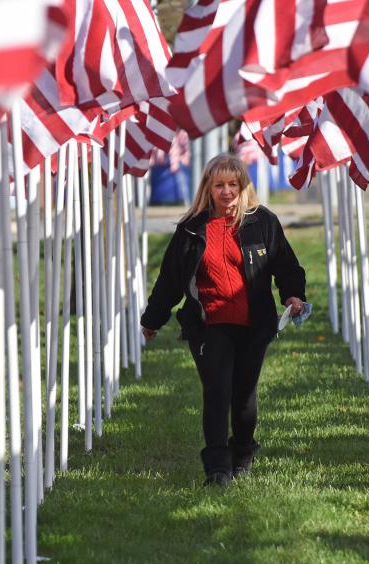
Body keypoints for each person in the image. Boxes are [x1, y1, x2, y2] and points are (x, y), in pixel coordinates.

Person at [140, 153, 307, 486]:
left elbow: (286, 265)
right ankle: (217, 468)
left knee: (243, 396)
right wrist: (152, 320)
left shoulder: (263, 222)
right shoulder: (191, 229)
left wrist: (292, 294)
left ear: (244, 186)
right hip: (208, 325)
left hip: (255, 325)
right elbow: (170, 279)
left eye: (233, 184)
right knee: (217, 391)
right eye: (219, 185)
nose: (227, 191)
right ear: (208, 188)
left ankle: (242, 451)